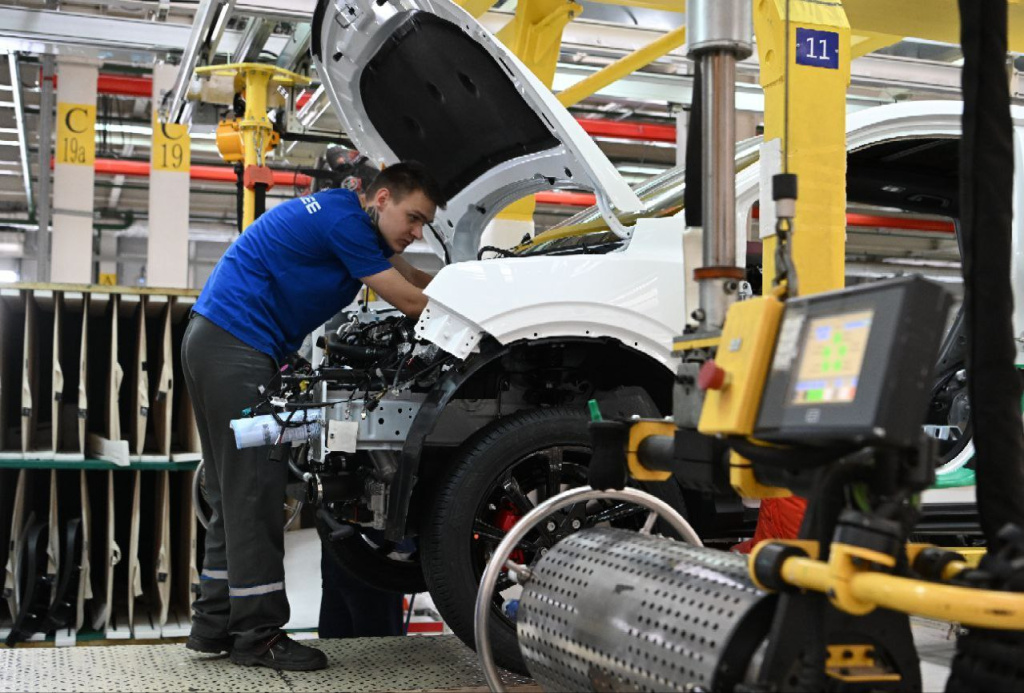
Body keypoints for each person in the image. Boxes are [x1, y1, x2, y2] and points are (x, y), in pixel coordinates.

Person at [181, 161, 443, 671]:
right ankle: (257, 637)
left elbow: (415, 277)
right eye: (413, 219)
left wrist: (465, 284)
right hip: (237, 348)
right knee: (255, 490)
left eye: (423, 225)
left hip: (216, 342)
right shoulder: (345, 223)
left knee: (229, 489)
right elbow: (410, 298)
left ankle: (212, 624)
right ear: (382, 198)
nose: (416, 232)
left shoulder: (349, 218)